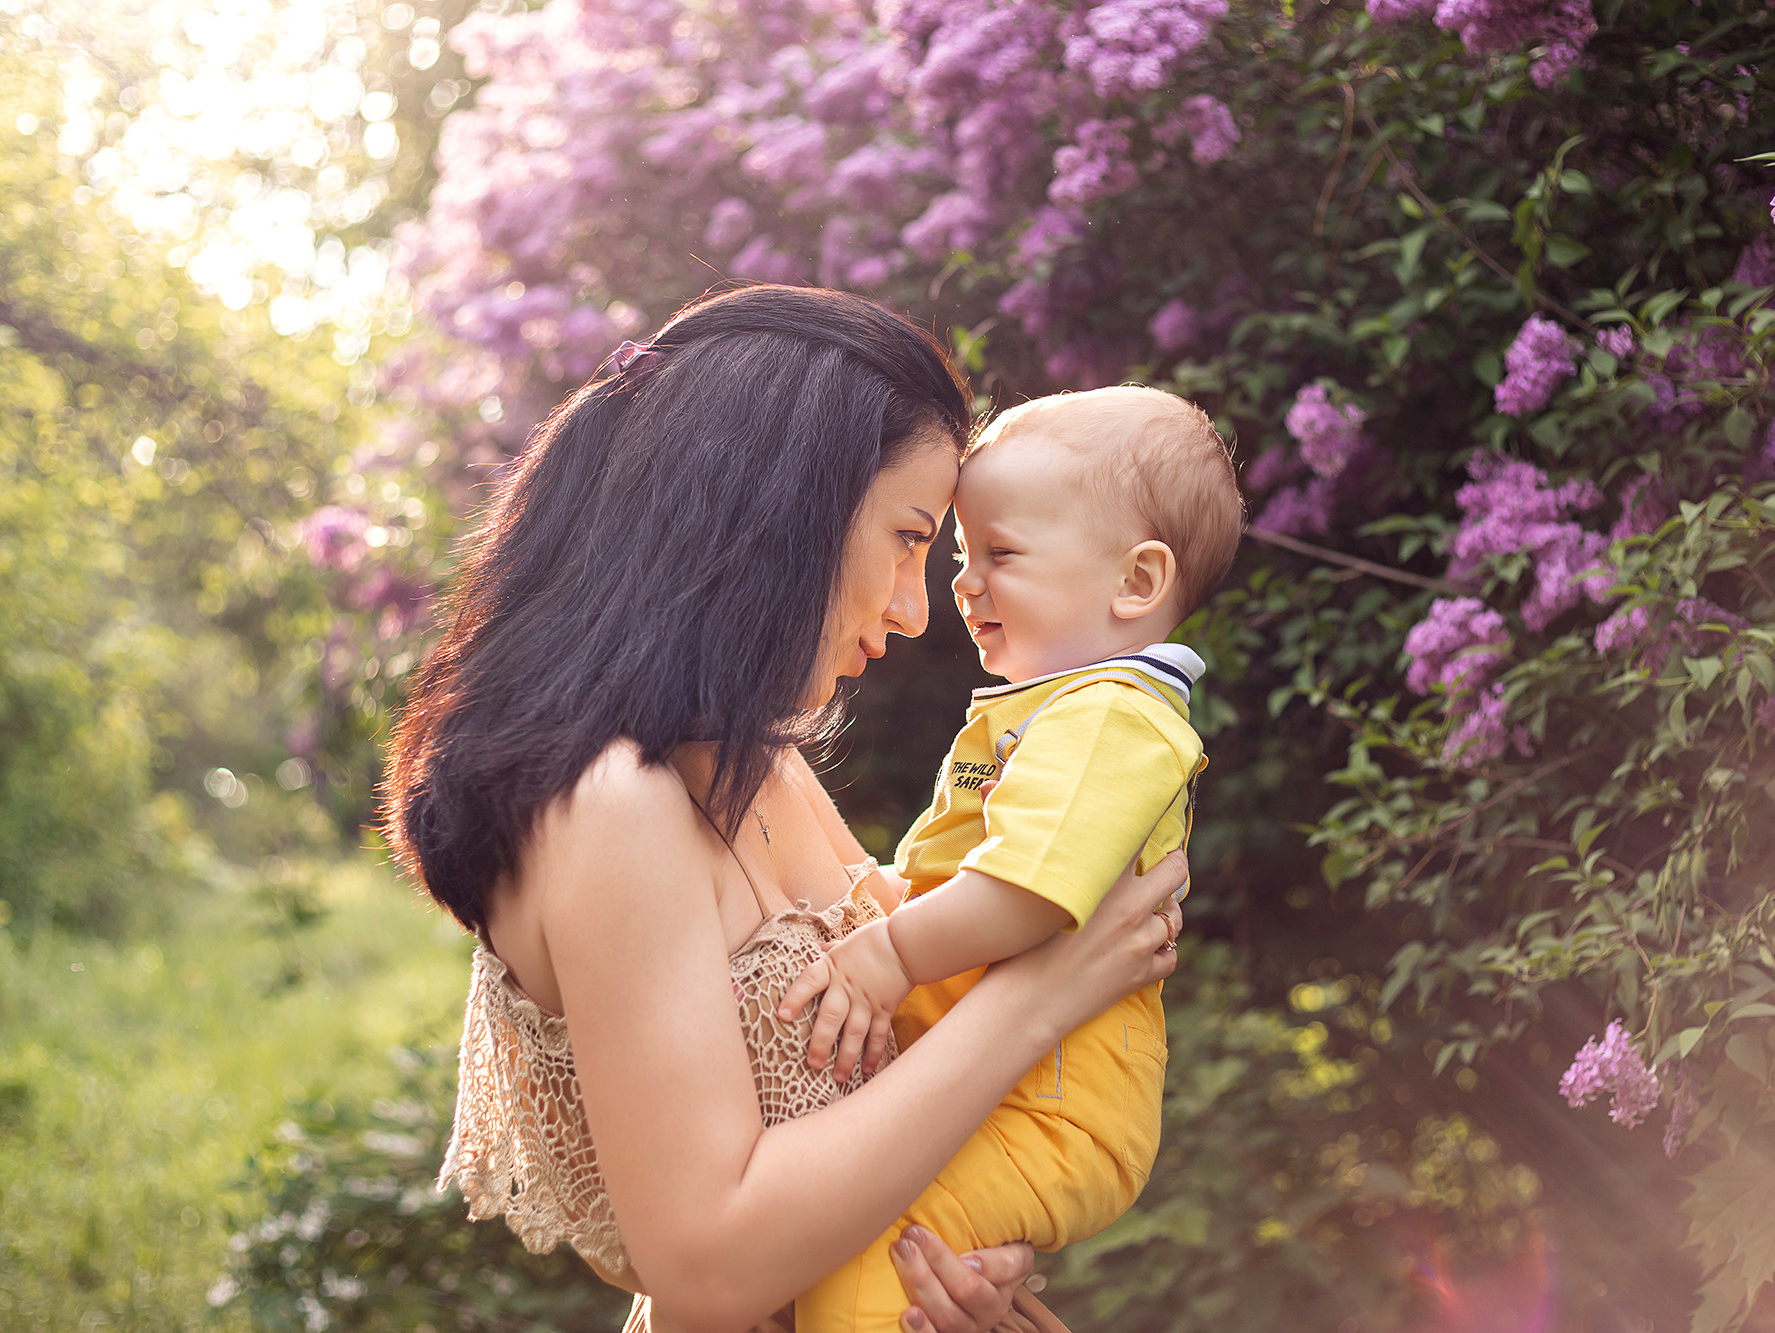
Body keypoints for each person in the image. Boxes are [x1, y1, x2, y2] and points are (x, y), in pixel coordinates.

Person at [381, 286, 1189, 1333]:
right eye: (909, 537)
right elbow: (708, 1263)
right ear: (777, 513)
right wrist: (1039, 998)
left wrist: (971, 1253)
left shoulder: (759, 765)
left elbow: (895, 1106)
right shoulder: (612, 805)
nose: (915, 610)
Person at [776, 386, 1243, 1332]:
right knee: (867, 1245)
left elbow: (1025, 892)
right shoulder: (1058, 710)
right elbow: (955, 879)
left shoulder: (1113, 717)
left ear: (1136, 581)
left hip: (1050, 1108)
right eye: (961, 554)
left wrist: (889, 951)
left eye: (1002, 554)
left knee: (865, 1241)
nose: (963, 584)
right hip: (1007, 1088)